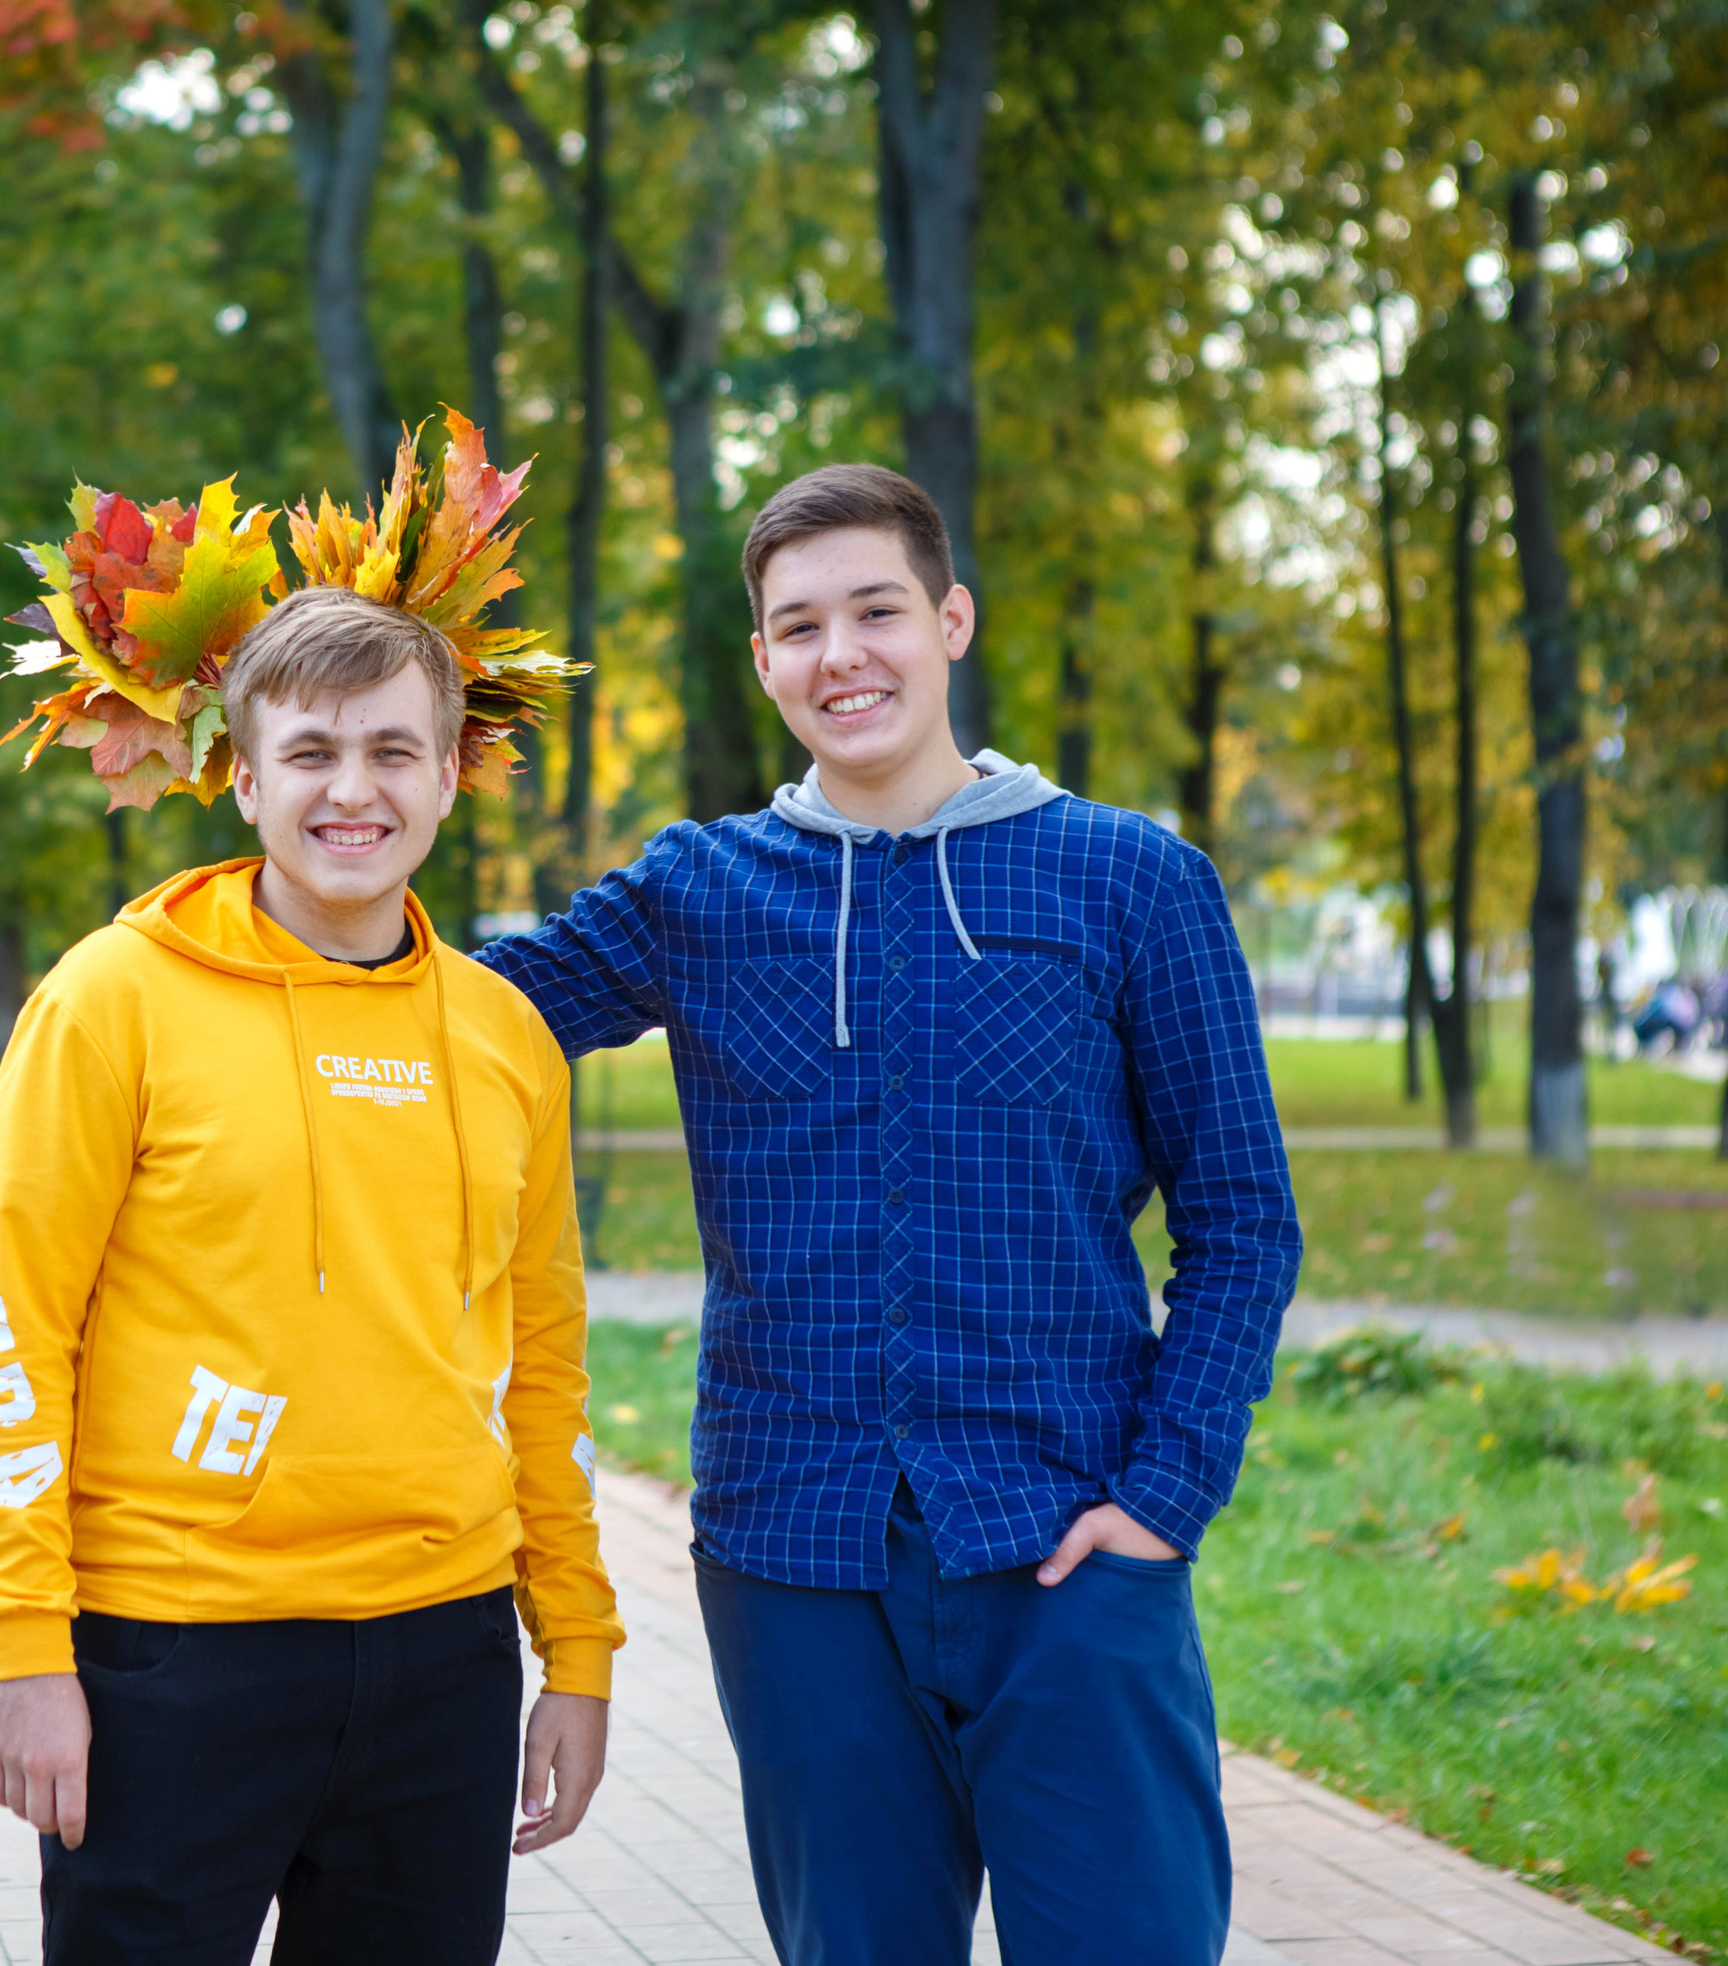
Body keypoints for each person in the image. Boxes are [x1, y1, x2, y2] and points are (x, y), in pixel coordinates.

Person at [477, 463, 1302, 1966]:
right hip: (796, 1561)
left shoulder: (1132, 880)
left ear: (951, 621)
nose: (840, 653)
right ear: (763, 663)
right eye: (800, 625)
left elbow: (1244, 1217)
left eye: (876, 611)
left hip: (1072, 1543)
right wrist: (325, 782)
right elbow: (461, 1014)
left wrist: (1163, 1500)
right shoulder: (698, 889)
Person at [0, 452, 621, 1966]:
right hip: (167, 1657)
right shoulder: (110, 1003)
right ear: (244, 777)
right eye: (312, 752)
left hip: (443, 1662)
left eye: (396, 750)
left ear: (452, 774)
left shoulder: (506, 1038)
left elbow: (549, 1365)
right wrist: (26, 1648)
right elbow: (12, 1335)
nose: (355, 789)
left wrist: (571, 1647)